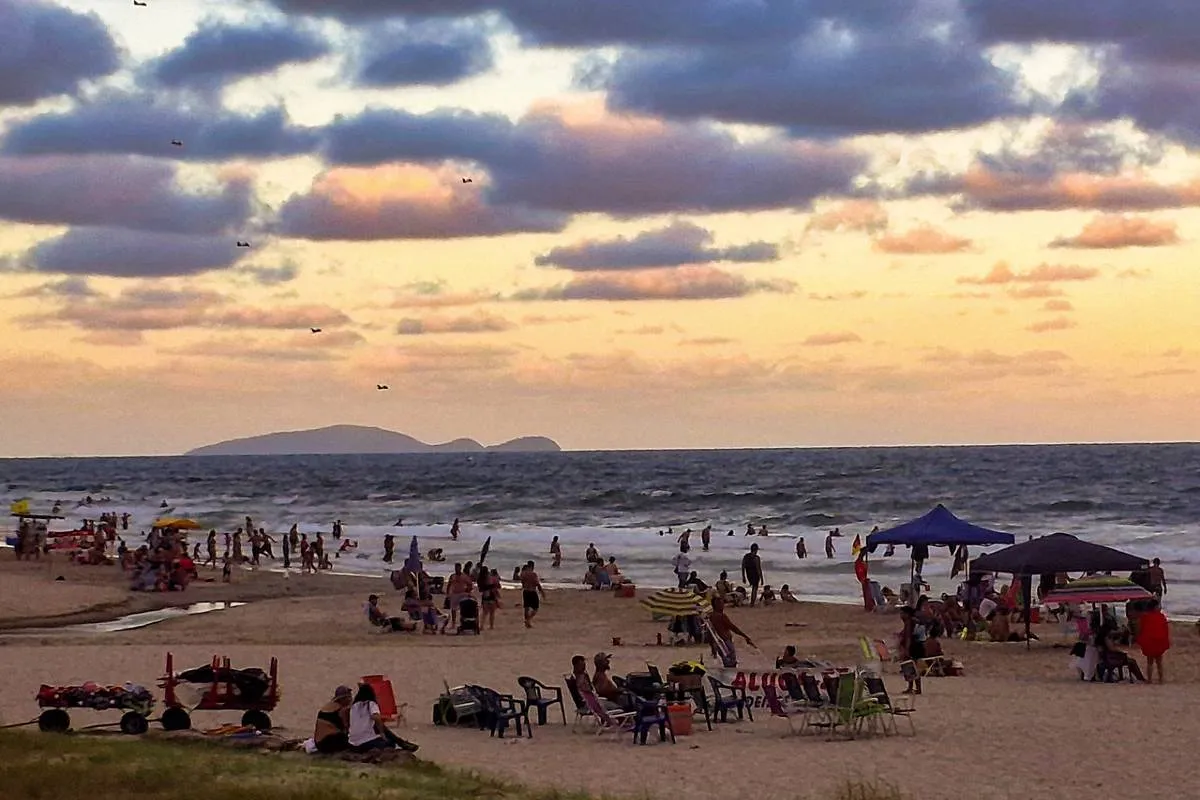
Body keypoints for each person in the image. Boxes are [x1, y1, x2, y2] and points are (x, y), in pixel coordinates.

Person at [347, 683, 418, 753]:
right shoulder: (371, 704)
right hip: (364, 742)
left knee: (377, 727)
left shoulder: (354, 706)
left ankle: (401, 742)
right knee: (390, 744)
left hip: (352, 743)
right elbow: (376, 717)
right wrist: (381, 733)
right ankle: (401, 743)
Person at [709, 597, 754, 667]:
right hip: (725, 642)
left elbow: (710, 633)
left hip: (719, 643)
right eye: (721, 604)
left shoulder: (711, 616)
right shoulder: (721, 616)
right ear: (716, 605)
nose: (723, 605)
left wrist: (713, 647)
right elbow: (733, 628)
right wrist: (745, 636)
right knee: (731, 663)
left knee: (726, 662)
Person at [1137, 598, 1171, 683]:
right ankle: (1161, 679)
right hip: (1158, 641)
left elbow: (1142, 629)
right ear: (1155, 607)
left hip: (1149, 641)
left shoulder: (1145, 617)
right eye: (1158, 606)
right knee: (1159, 662)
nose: (1160, 607)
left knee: (1150, 662)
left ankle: (1149, 679)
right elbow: (1165, 629)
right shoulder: (1160, 616)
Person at [313, 686, 352, 753]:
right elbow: (346, 727)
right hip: (328, 742)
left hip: (319, 742)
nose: (350, 699)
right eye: (348, 697)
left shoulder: (328, 707)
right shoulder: (341, 710)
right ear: (342, 699)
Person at [900, 605, 926, 694]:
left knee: (910, 667)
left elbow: (908, 637)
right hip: (919, 646)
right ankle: (916, 688)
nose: (901, 615)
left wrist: (906, 649)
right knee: (914, 667)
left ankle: (911, 687)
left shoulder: (909, 622)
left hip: (912, 646)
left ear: (907, 614)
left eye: (902, 613)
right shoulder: (915, 621)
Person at [520, 560, 545, 628]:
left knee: (526, 607)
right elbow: (537, 584)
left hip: (525, 591)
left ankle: (527, 622)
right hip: (532, 591)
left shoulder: (523, 574)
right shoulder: (533, 574)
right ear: (532, 566)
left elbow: (522, 582)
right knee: (535, 608)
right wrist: (542, 592)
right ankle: (528, 620)